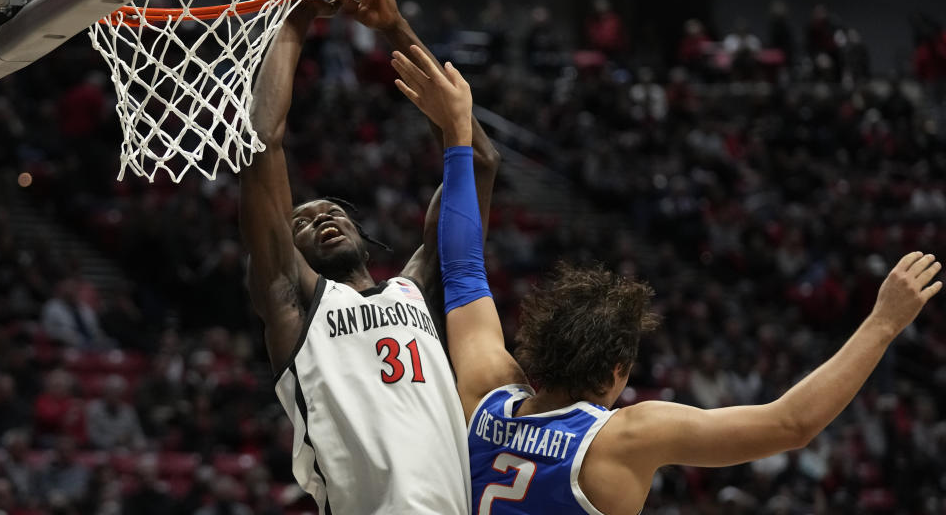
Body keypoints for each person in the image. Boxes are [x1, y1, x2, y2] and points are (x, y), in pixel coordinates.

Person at [390, 45, 943, 515]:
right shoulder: (622, 438)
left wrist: (458, 135)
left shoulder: (486, 394)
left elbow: (460, 266)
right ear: (616, 371)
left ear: (534, 345)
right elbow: (790, 425)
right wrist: (883, 323)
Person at [239, 0, 500, 514]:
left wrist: (393, 25)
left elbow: (479, 162)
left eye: (331, 210)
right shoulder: (294, 301)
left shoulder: (416, 289)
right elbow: (261, 142)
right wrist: (299, 9)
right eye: (302, 220)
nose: (323, 214)